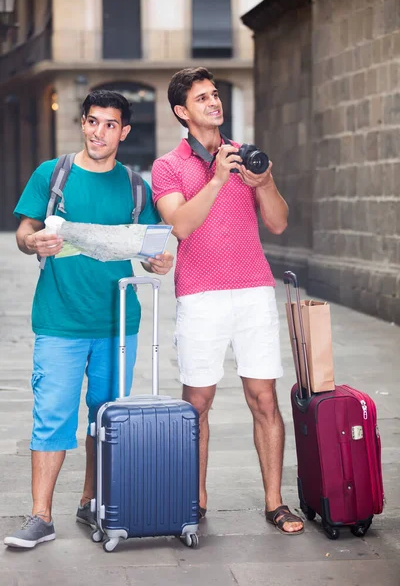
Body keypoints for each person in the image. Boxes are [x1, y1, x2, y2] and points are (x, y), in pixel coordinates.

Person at [4, 90, 173, 549]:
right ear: (83, 123)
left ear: (124, 131)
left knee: (107, 418)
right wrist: (32, 241)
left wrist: (159, 263)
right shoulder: (52, 174)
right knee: (51, 416)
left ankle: (92, 502)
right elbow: (23, 229)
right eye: (93, 122)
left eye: (110, 124)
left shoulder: (137, 187)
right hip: (59, 320)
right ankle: (41, 516)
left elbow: (151, 247)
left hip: (118, 323)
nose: (100, 132)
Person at [151, 67, 304, 535]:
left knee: (265, 399)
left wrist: (263, 184)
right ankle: (195, 502)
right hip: (201, 295)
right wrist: (216, 180)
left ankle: (275, 503)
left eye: (215, 94)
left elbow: (277, 223)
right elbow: (180, 226)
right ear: (183, 111)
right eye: (202, 97)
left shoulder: (245, 156)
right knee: (198, 402)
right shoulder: (169, 166)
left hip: (255, 289)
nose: (213, 102)